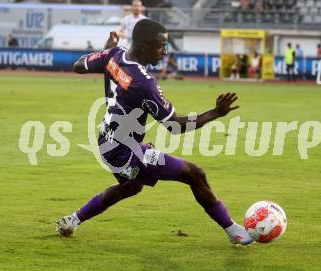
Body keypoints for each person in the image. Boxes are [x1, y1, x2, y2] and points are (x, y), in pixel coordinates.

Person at [56, 19, 253, 246]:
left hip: (106, 142)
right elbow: (175, 126)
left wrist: (105, 49)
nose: (164, 52)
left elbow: (78, 65)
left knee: (131, 187)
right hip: (126, 153)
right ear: (143, 47)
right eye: (161, 46)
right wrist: (216, 112)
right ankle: (234, 231)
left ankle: (73, 219)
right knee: (194, 174)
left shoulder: (114, 55)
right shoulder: (144, 83)